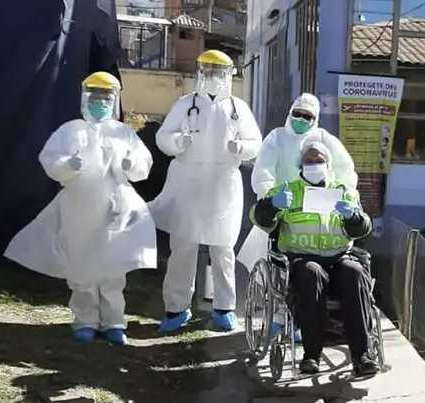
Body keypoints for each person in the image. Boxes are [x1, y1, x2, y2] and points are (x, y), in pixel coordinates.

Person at [4, 71, 157, 345]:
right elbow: (49, 158)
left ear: (114, 99)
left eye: (106, 97)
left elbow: (143, 162)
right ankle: (85, 320)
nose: (100, 102)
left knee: (113, 267)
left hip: (115, 207)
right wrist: (67, 165)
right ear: (85, 97)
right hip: (78, 206)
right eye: (95, 96)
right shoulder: (70, 130)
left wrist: (129, 165)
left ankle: (113, 323)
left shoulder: (123, 132)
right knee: (81, 265)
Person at [149, 50, 263, 332]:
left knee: (223, 249)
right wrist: (178, 142)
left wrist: (242, 149)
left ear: (229, 75)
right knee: (183, 249)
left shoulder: (238, 108)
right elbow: (162, 137)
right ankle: (176, 309)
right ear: (200, 73)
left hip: (223, 185)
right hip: (188, 183)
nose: (212, 77)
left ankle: (223, 309)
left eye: (218, 71)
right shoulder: (184, 104)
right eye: (208, 71)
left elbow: (255, 141)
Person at [249, 141, 379, 378]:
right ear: (301, 165)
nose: (314, 165)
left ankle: (362, 355)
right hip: (302, 258)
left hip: (339, 256)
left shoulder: (344, 192)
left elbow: (363, 228)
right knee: (311, 273)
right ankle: (311, 354)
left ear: (328, 165)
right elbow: (259, 219)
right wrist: (272, 205)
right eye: (309, 161)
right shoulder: (286, 191)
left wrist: (352, 216)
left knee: (356, 272)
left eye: (319, 161)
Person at [251, 93, 357, 197]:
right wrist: (270, 201)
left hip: (319, 206)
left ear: (315, 119)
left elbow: (345, 170)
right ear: (290, 113)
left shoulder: (323, 138)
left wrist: (344, 195)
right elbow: (263, 172)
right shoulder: (276, 137)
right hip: (284, 207)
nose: (301, 119)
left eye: (307, 116)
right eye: (297, 114)